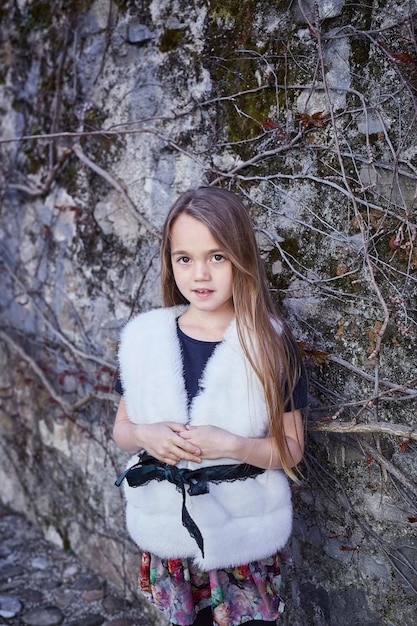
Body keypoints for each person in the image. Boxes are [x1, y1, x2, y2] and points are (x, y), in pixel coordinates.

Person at [113, 187, 307, 626]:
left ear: (241, 257)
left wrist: (233, 445)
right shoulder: (145, 339)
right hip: (171, 536)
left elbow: (291, 447)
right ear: (170, 262)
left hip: (243, 537)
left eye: (217, 257)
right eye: (185, 258)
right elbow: (122, 428)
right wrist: (144, 435)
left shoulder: (268, 346)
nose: (200, 273)